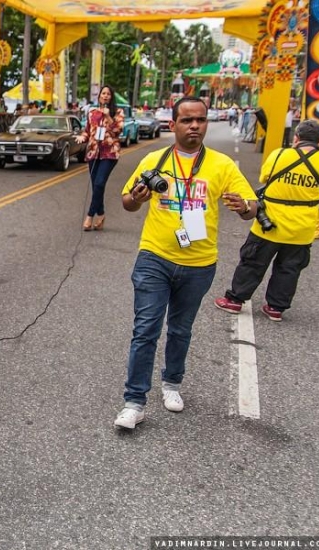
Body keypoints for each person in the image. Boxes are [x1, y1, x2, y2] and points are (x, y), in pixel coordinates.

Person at [114, 96, 258, 430]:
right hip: (155, 257)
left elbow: (251, 206)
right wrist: (136, 198)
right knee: (145, 329)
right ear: (173, 123)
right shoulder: (154, 159)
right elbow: (127, 202)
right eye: (187, 120)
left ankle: (172, 383)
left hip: (199, 263)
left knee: (180, 328)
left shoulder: (222, 165)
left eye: (200, 120)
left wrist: (244, 207)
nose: (194, 126)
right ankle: (134, 402)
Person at [214, 119, 319, 322]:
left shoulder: (278, 155)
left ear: (296, 138)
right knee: (289, 268)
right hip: (302, 230)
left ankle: (235, 300)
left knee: (252, 262)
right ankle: (275, 307)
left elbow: (265, 177)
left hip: (268, 224)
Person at [74, 85, 124, 231]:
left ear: (111, 97)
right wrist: (81, 137)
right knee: (97, 185)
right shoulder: (92, 112)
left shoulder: (118, 112)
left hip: (110, 153)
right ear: (99, 96)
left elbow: (118, 130)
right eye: (103, 93)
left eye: (108, 94)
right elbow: (87, 131)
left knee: (99, 183)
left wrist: (108, 116)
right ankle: (101, 215)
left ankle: (90, 215)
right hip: (93, 152)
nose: (105, 96)